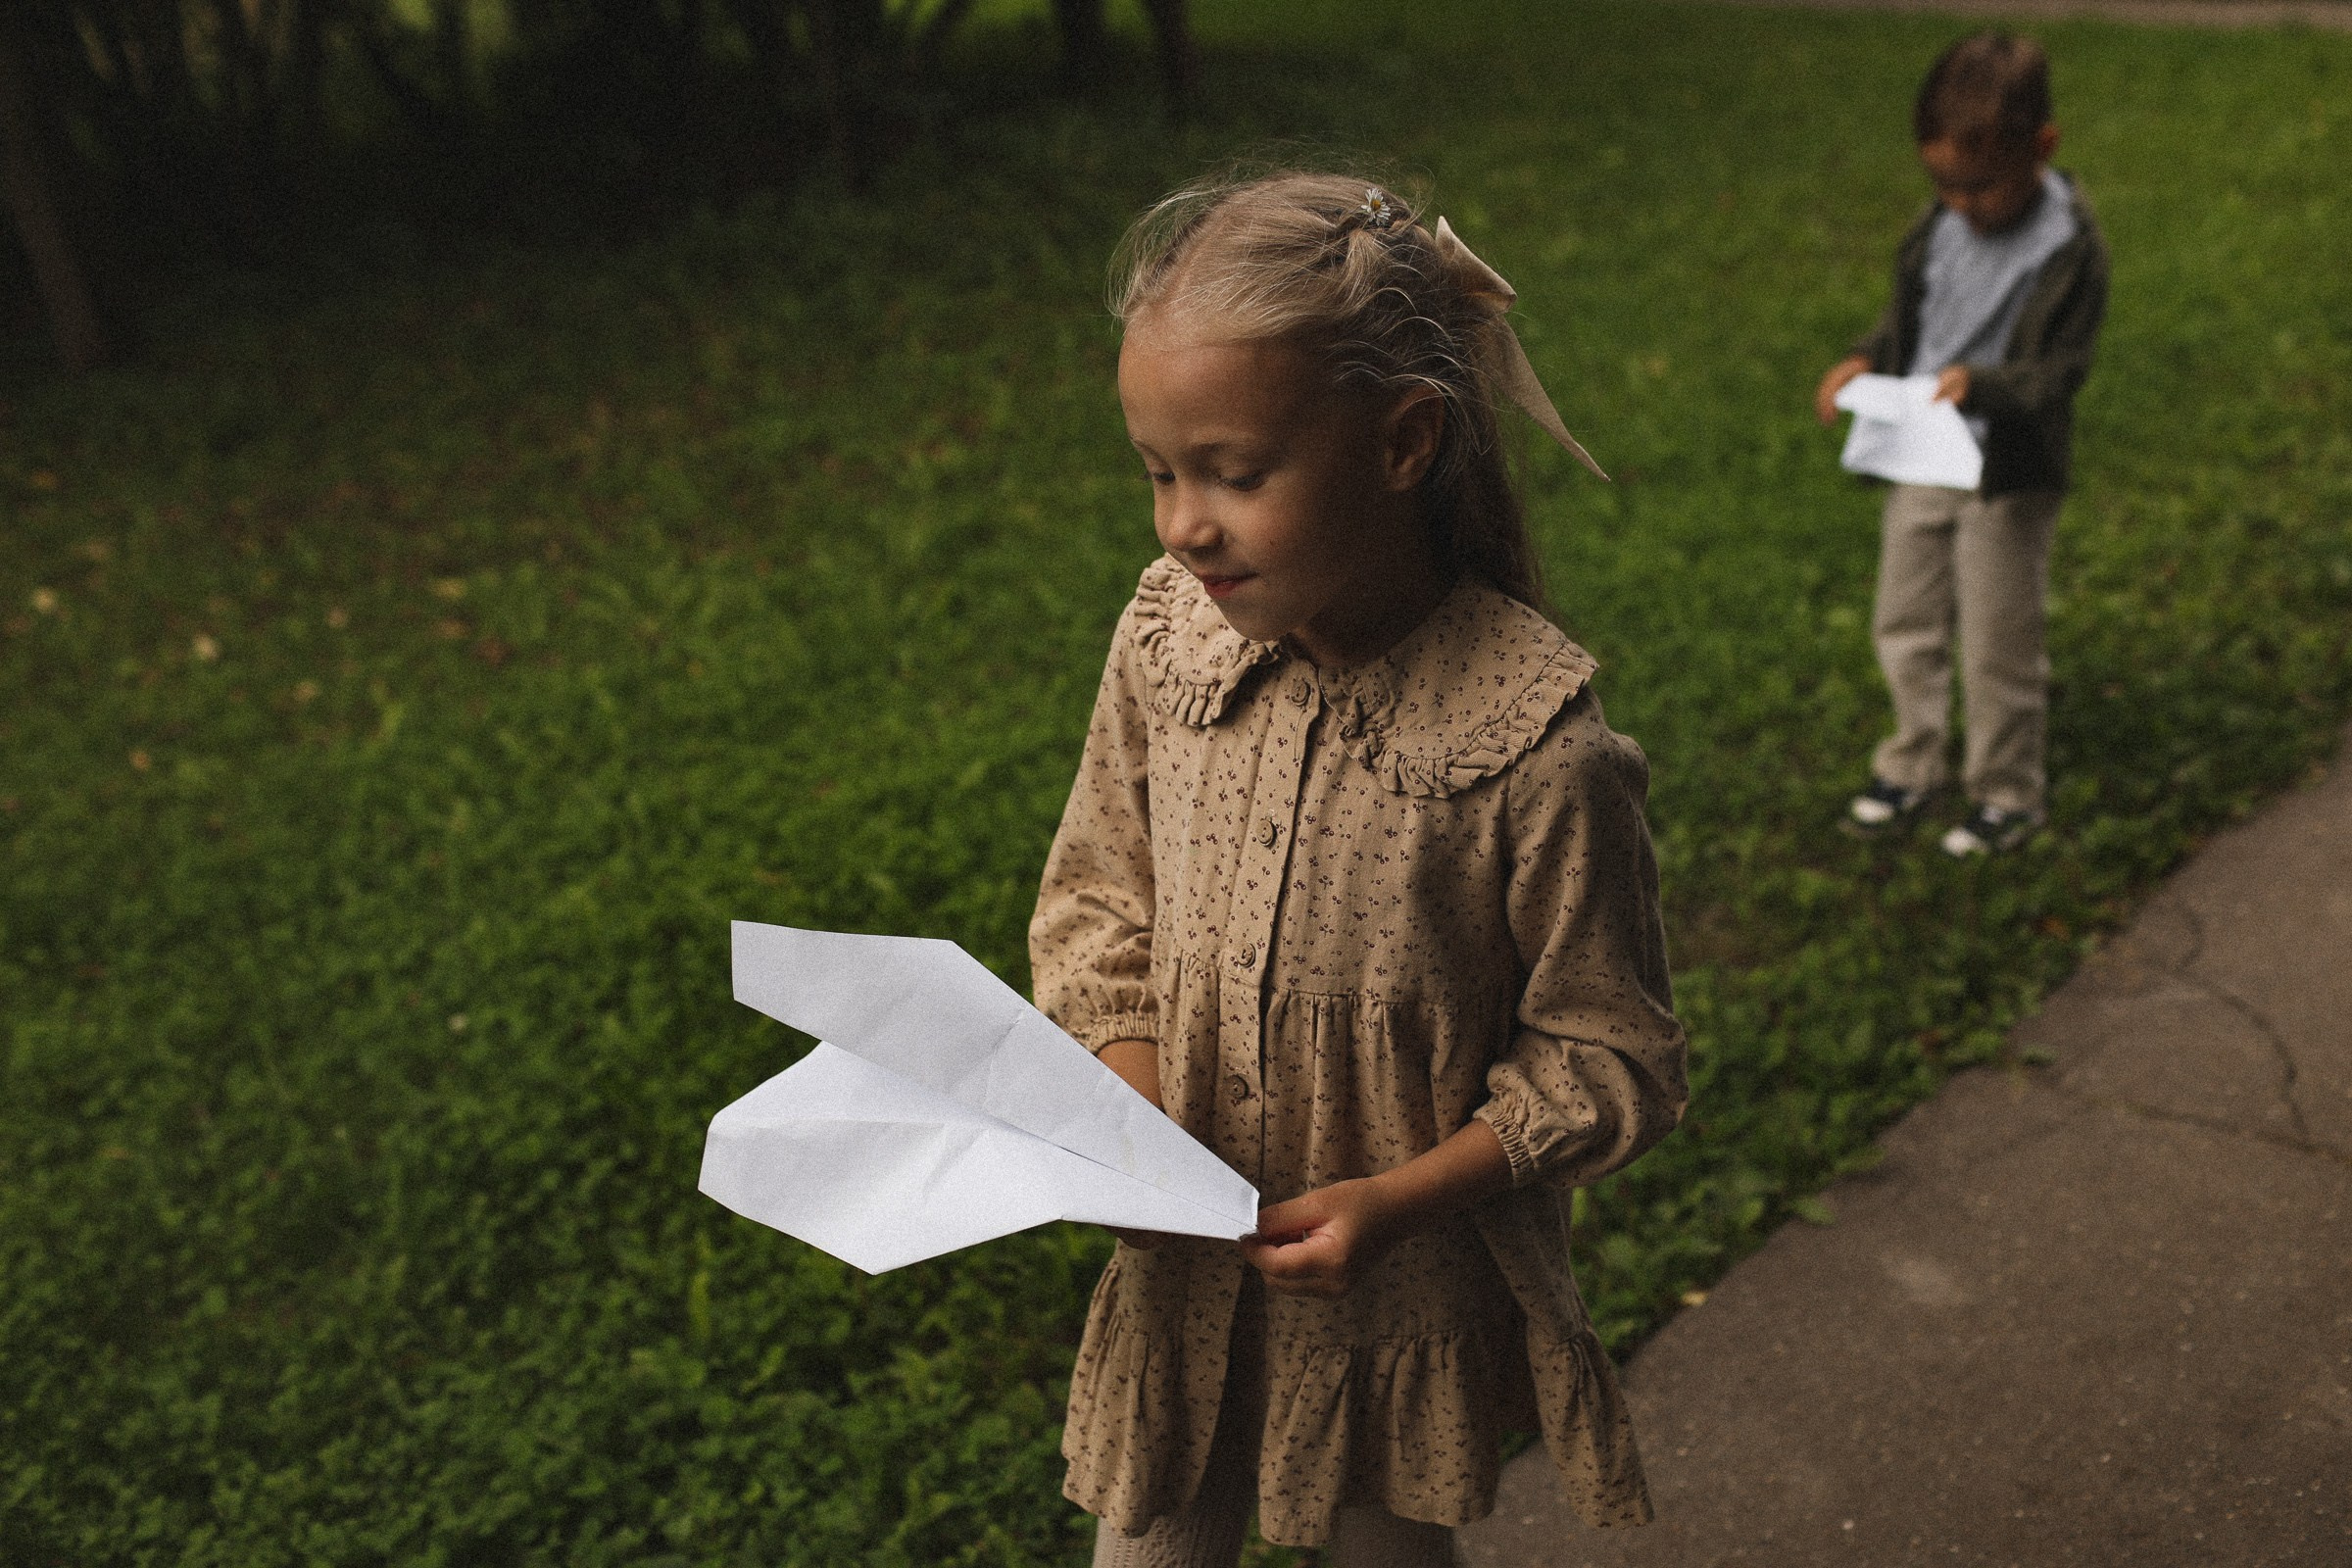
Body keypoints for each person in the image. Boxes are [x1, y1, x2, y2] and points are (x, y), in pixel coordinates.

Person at [1029, 171, 1689, 1568]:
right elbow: (1099, 901)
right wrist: (1133, 1105)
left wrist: (1396, 1204)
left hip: (1393, 1303)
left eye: (1234, 473)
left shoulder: (1534, 748)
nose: (1181, 526)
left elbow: (1610, 1055)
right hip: (1182, 1285)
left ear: (1402, 442)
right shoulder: (1168, 645)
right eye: (1159, 471)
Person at [1816, 32, 2110, 856]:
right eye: (1941, 182)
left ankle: (2007, 792)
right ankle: (1911, 764)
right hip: (1923, 452)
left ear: (2041, 148)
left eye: (1979, 186)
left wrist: (1983, 385)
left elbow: (2059, 372)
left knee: (1997, 638)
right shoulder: (1940, 224)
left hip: (2005, 472)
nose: (1959, 203)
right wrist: (1867, 359)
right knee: (1904, 616)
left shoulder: (2070, 248)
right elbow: (1915, 319)